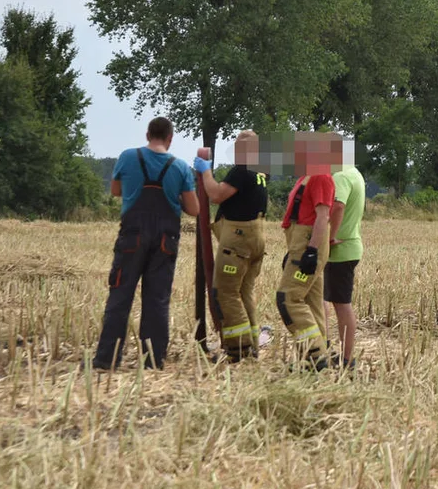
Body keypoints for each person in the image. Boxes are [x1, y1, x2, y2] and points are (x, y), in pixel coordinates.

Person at [93, 117, 199, 370]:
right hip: (165, 239)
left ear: (147, 134)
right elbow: (194, 209)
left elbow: (116, 191)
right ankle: (152, 361)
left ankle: (107, 360)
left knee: (120, 295)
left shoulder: (128, 157)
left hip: (132, 235)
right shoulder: (180, 167)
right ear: (170, 138)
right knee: (157, 300)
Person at [193, 130, 268, 363]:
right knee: (245, 292)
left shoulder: (242, 170)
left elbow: (216, 194)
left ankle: (240, 349)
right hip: (255, 238)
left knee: (225, 292)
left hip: (238, 240)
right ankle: (252, 345)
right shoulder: (261, 172)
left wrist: (205, 171)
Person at [277, 132, 338, 369]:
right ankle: (318, 355)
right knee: (312, 302)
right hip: (300, 243)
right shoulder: (306, 176)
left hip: (308, 244)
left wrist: (310, 252)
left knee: (288, 298)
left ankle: (315, 355)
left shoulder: (321, 176)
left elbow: (322, 217)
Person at [324, 160, 366, 369]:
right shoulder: (354, 172)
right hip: (350, 246)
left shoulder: (340, 176)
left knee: (341, 304)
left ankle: (347, 359)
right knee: (328, 300)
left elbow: (339, 205)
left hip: (340, 249)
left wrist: (329, 238)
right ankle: (330, 351)